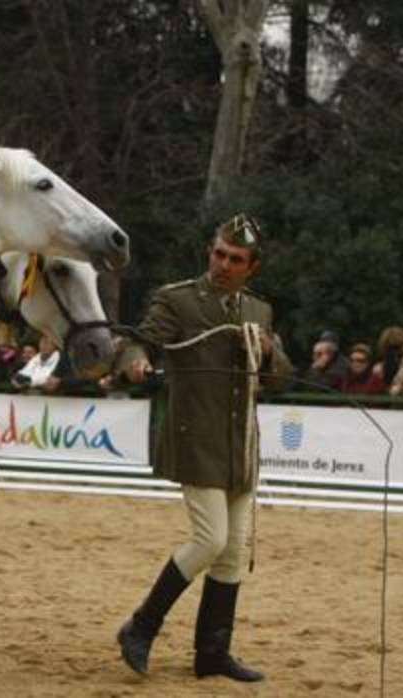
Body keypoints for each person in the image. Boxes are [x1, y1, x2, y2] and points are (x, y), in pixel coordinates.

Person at [113, 213, 292, 683]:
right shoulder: (178, 300)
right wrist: (134, 361)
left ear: (251, 267)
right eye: (218, 253)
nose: (222, 264)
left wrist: (270, 351)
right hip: (196, 438)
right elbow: (142, 342)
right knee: (210, 539)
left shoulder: (259, 311)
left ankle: (212, 653)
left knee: (234, 550)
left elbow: (278, 378)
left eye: (235, 259)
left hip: (240, 445)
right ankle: (141, 626)